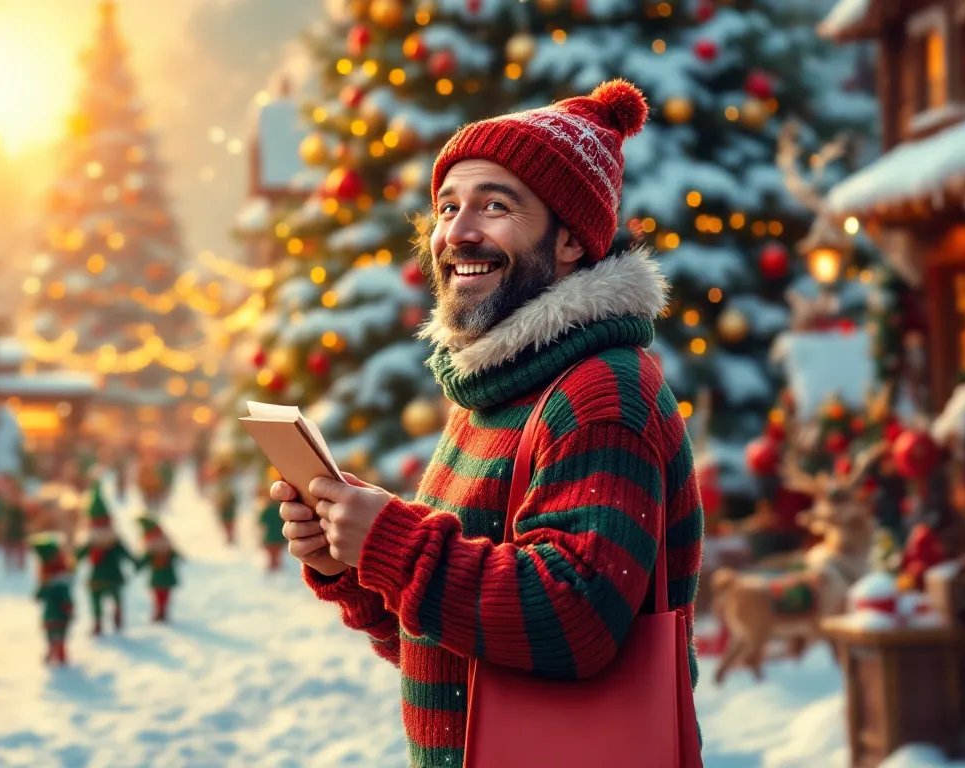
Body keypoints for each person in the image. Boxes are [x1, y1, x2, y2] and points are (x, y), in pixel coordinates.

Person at [271, 80, 704, 767]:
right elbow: (457, 641)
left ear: (568, 240)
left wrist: (393, 541)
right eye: (447, 207)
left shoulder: (600, 396)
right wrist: (352, 562)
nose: (456, 232)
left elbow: (574, 620)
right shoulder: (496, 395)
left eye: (495, 206)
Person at [75, 481, 139, 635]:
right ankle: (116, 617)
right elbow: (127, 554)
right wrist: (137, 562)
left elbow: (78, 556)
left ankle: (99, 622)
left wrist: (69, 562)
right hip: (114, 576)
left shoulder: (92, 540)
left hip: (97, 577)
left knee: (96, 598)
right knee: (115, 597)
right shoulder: (114, 539)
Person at [30, 531, 76, 666]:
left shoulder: (52, 581)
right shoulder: (58, 580)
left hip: (52, 614)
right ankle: (57, 651)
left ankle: (55, 651)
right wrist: (68, 606)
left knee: (53, 634)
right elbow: (65, 597)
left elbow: (40, 595)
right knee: (57, 634)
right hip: (59, 614)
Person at [135, 516, 182, 622]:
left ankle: (160, 612)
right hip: (166, 575)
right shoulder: (165, 544)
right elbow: (176, 555)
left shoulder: (153, 547)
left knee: (160, 595)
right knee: (162, 595)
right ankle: (161, 612)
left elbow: (145, 560)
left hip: (159, 575)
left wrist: (137, 566)